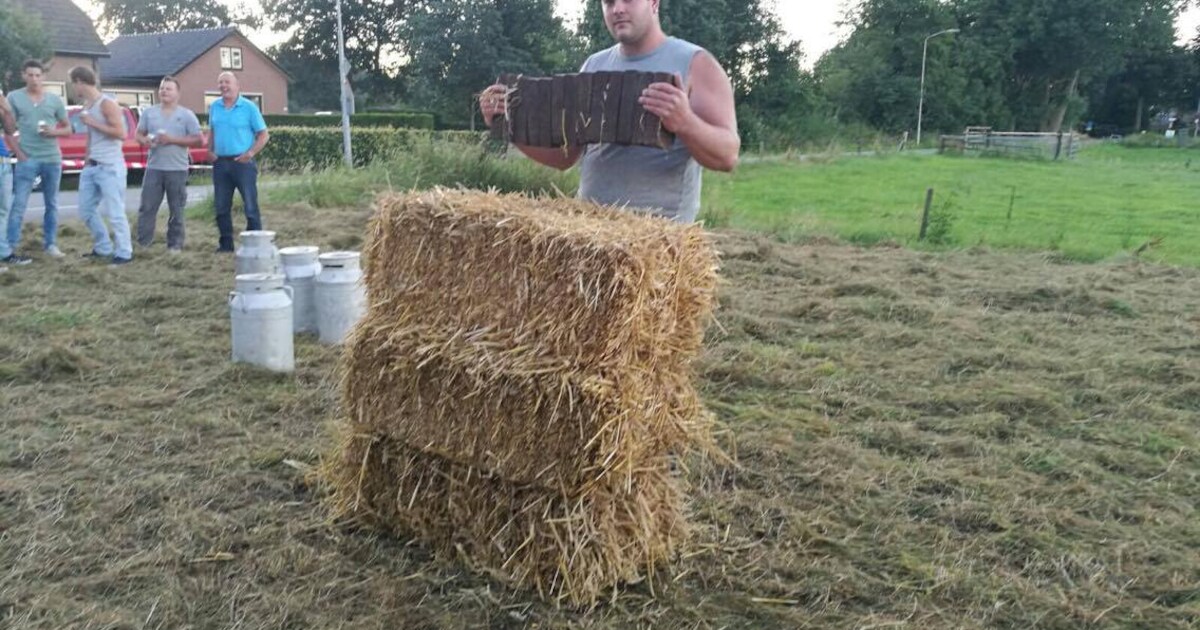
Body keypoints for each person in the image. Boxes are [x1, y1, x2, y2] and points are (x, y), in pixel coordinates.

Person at [479, 0, 738, 223]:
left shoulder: (695, 63)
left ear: (654, 3)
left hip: (659, 241)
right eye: (609, 2)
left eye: (628, 0)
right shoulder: (594, 65)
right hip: (592, 232)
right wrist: (508, 124)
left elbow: (727, 156)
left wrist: (685, 122)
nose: (617, 9)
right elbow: (565, 156)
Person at [6, 59, 70, 264]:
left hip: (52, 158)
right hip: (27, 158)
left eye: (37, 75)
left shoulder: (54, 100)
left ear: (43, 77)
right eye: (30, 75)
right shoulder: (14, 97)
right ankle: (10, 247)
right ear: (23, 76)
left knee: (52, 204)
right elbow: (8, 129)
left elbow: (69, 128)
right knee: (19, 204)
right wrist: (19, 153)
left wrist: (54, 132)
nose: (34, 79)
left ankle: (50, 244)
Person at [70, 66, 134, 265]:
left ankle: (124, 252)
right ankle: (103, 246)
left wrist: (92, 122)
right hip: (92, 166)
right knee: (86, 210)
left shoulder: (107, 103)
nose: (73, 88)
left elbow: (121, 133)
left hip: (110, 165)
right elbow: (91, 136)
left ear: (80, 81)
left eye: (73, 83)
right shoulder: (88, 105)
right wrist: (86, 161)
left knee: (115, 212)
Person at [135, 76, 204, 252]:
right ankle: (143, 244)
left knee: (177, 209)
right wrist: (145, 141)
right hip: (154, 168)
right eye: (162, 88)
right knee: (147, 207)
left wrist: (171, 140)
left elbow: (199, 140)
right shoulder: (149, 113)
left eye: (168, 88)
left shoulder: (186, 115)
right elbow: (138, 134)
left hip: (177, 169)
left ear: (177, 93)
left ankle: (175, 245)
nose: (164, 91)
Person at [208, 71, 269, 252]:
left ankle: (255, 245)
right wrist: (209, 150)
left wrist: (250, 153)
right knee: (221, 206)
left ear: (237, 85)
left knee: (250, 205)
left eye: (227, 82)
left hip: (243, 164)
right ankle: (226, 244)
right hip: (221, 163)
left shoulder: (249, 107)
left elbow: (263, 135)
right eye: (220, 83)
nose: (223, 86)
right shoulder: (214, 107)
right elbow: (212, 131)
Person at [0, 87, 20, 270]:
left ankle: (4, 253)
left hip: (3, 160)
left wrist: (6, 110)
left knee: (3, 210)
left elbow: (10, 129)